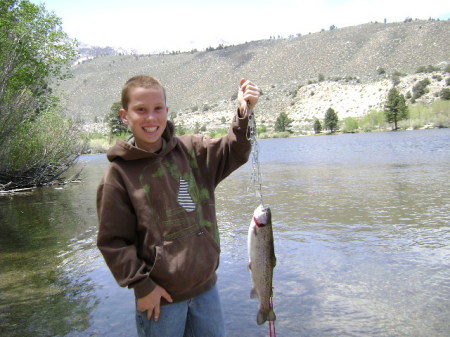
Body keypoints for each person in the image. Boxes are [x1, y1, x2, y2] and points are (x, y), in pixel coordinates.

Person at [96, 75, 260, 337]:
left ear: (167, 111)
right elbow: (113, 242)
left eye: (158, 109)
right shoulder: (118, 176)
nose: (151, 118)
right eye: (141, 110)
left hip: (207, 289)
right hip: (159, 299)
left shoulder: (193, 151)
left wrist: (244, 112)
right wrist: (142, 286)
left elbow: (234, 150)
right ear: (125, 115)